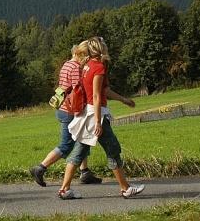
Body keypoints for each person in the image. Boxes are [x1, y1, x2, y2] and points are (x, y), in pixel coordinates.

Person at [58, 37, 144, 200]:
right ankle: (125, 188)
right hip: (95, 115)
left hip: (88, 113)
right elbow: (97, 96)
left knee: (79, 152)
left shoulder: (87, 66)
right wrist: (98, 121)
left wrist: (123, 99)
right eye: (104, 44)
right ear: (100, 48)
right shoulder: (98, 67)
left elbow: (102, 91)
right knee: (112, 149)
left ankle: (64, 189)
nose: (107, 46)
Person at [28, 44, 102, 187]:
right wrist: (82, 109)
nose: (88, 59)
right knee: (66, 145)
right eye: (87, 55)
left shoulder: (67, 64)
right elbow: (78, 90)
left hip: (63, 107)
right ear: (80, 54)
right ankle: (40, 168)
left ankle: (85, 171)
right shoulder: (75, 68)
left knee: (83, 138)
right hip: (70, 110)